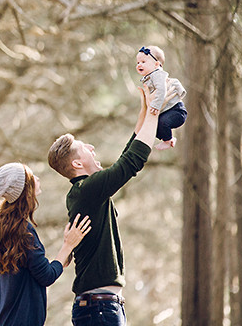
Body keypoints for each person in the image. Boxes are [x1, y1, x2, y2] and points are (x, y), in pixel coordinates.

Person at [46, 87, 159, 326]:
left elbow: (129, 152)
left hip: (101, 307)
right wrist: (154, 112)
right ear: (77, 164)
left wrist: (146, 110)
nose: (92, 148)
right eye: (84, 148)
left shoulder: (85, 192)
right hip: (99, 308)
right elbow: (131, 161)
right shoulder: (86, 190)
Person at [0, 162, 92, 326]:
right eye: (32, 177)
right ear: (25, 190)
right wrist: (68, 245)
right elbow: (46, 276)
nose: (37, 178)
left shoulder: (5, 227)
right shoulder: (23, 231)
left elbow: (34, 270)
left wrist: (60, 260)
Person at [136, 45, 187, 150]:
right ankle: (169, 139)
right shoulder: (150, 77)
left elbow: (162, 90)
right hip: (167, 111)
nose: (139, 65)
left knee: (162, 122)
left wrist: (155, 105)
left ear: (156, 64)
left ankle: (168, 140)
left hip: (176, 110)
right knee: (153, 127)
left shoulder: (158, 74)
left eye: (143, 62)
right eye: (138, 62)